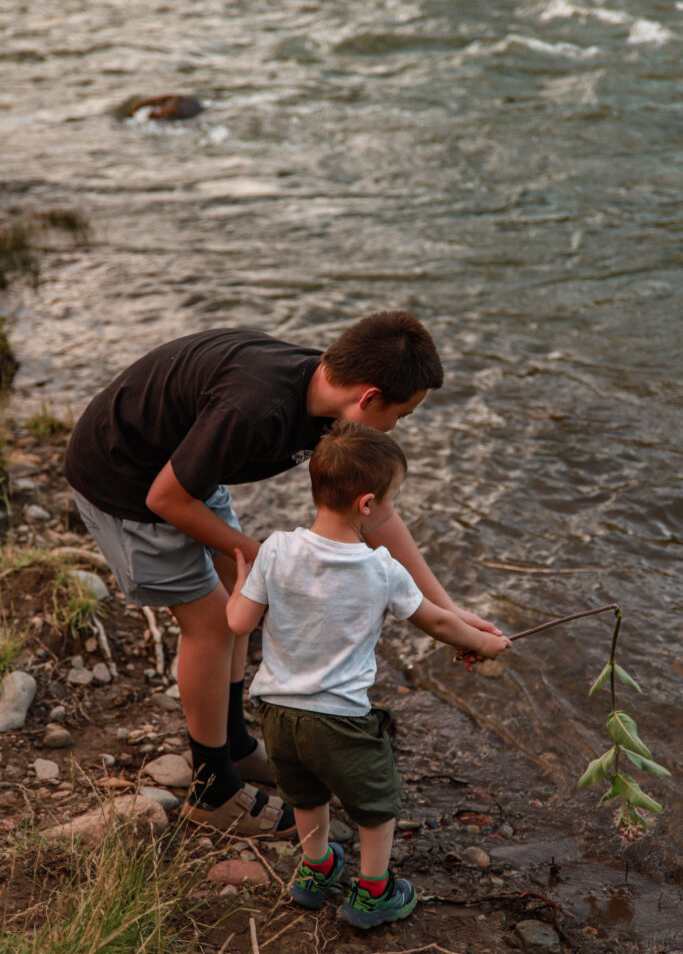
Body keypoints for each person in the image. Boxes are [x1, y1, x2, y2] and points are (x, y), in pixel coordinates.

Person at [63, 310, 500, 836]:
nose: (396, 428)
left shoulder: (327, 402)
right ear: (367, 398)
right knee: (212, 622)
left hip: (188, 469)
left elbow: (377, 514)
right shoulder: (256, 408)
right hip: (126, 479)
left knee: (239, 599)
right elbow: (165, 498)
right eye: (401, 416)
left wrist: (449, 610)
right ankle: (212, 789)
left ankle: (236, 746)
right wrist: (265, 556)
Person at [226, 421, 511, 928]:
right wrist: (484, 641)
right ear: (366, 504)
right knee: (377, 807)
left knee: (307, 796)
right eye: (393, 499)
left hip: (277, 716)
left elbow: (238, 623)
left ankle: (316, 872)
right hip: (340, 720)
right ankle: (374, 893)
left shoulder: (275, 548)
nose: (393, 510)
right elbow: (438, 621)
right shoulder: (381, 569)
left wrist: (242, 580)